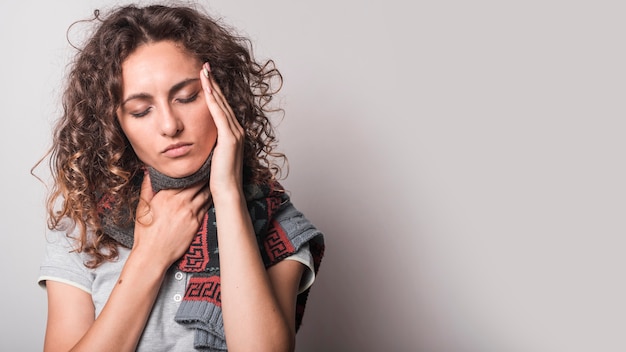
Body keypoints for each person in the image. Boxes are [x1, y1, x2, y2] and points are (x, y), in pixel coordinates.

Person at [36, 3, 325, 351]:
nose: (170, 126)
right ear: (116, 125)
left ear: (223, 96)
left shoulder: (278, 222)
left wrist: (229, 195)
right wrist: (151, 256)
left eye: (187, 97)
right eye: (141, 110)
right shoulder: (84, 225)